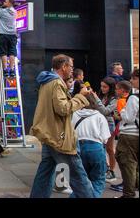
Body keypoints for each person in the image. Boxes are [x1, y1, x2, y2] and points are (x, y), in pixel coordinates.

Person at [30, 54, 95, 198]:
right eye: (71, 66)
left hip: (49, 134)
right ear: (64, 66)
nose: (72, 70)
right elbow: (63, 108)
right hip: (59, 136)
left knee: (45, 174)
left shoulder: (47, 81)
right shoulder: (56, 83)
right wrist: (81, 96)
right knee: (79, 176)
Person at [71, 80, 112, 198]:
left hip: (78, 148)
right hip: (96, 148)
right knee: (98, 180)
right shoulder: (99, 116)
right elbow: (105, 138)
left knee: (82, 181)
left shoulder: (74, 114)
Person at [113, 69, 139, 198]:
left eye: (133, 78)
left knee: (127, 162)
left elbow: (128, 118)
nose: (131, 81)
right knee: (134, 163)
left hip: (130, 134)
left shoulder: (134, 98)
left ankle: (128, 194)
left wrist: (122, 111)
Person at [91, 77, 118, 182]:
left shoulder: (114, 98)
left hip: (109, 124)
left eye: (105, 87)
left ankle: (111, 171)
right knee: (100, 148)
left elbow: (105, 111)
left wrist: (96, 99)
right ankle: (105, 169)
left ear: (110, 87)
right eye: (101, 86)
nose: (102, 88)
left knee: (109, 149)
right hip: (98, 123)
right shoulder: (101, 96)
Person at [52, 76, 75, 195]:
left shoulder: (60, 90)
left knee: (51, 162)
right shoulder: (59, 90)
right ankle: (61, 184)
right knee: (64, 159)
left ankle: (60, 184)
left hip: (60, 132)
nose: (72, 84)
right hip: (62, 132)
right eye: (70, 82)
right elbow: (63, 110)